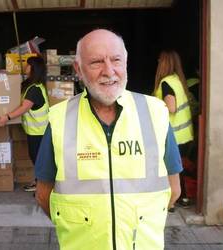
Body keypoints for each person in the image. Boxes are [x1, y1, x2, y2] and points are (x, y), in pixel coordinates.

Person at [35, 29, 182, 250]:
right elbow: (43, 196)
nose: (109, 71)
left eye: (116, 60)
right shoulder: (59, 119)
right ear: (78, 69)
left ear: (126, 62)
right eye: (96, 62)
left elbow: (174, 190)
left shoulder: (155, 113)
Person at [0, 56, 49, 192]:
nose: (26, 67)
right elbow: (17, 85)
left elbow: (24, 108)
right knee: (36, 157)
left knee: (38, 158)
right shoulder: (32, 85)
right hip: (35, 130)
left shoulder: (34, 89)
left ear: (33, 68)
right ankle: (38, 182)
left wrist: (6, 117)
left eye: (28, 65)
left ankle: (42, 187)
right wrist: (6, 75)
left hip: (39, 131)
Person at [153, 50, 194, 208]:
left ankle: (172, 202)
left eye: (160, 60)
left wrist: (153, 106)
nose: (158, 62)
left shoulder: (166, 83)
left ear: (164, 63)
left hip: (174, 134)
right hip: (184, 133)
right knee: (179, 168)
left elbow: (171, 107)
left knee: (171, 168)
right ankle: (182, 198)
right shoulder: (178, 80)